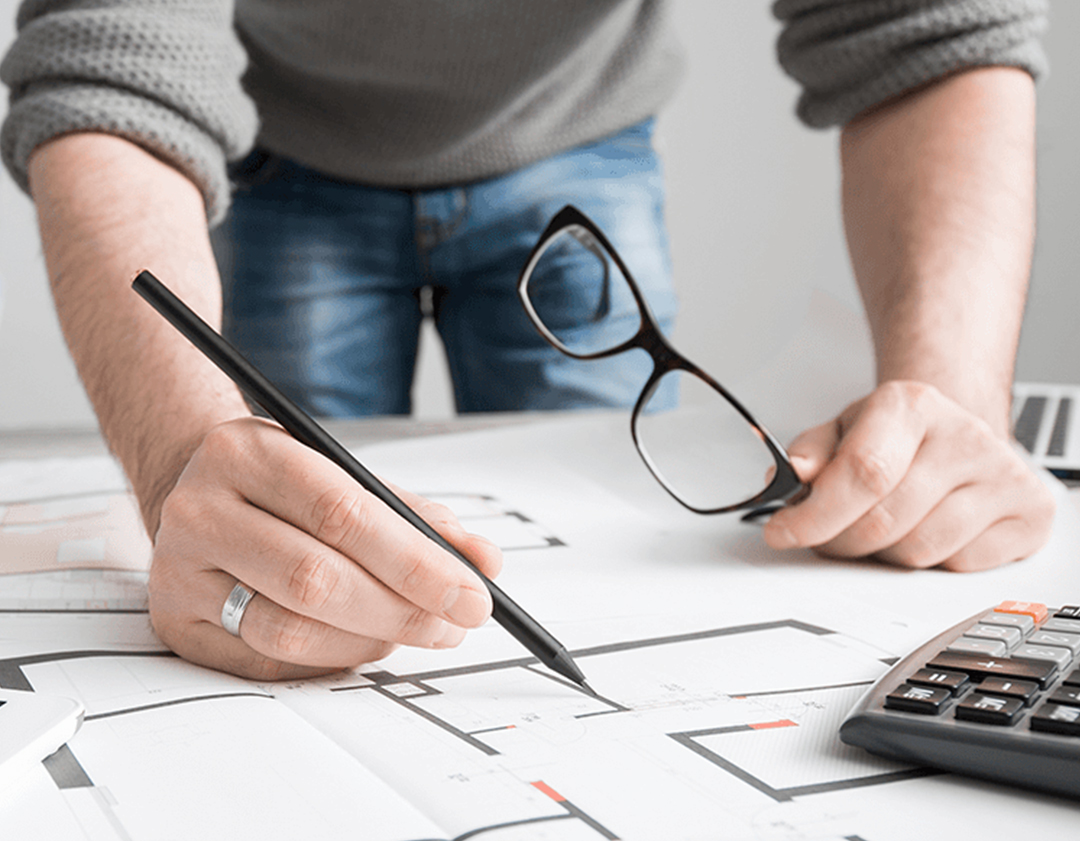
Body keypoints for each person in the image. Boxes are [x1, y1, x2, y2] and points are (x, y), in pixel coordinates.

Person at [0, 0, 1056, 681]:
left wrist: (954, 401)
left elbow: (926, 25)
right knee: (281, 548)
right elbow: (113, 52)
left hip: (575, 137)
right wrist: (180, 455)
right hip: (275, 157)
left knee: (590, 535)